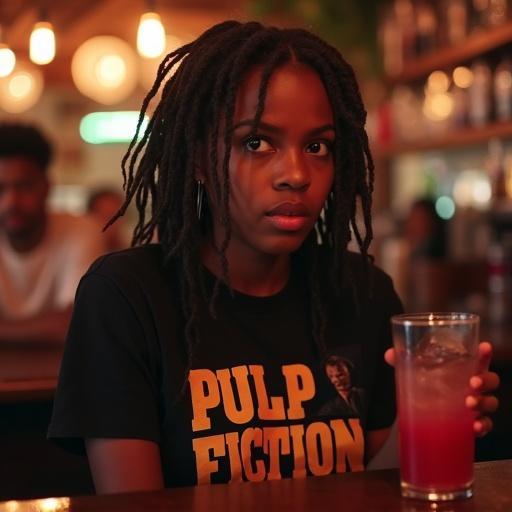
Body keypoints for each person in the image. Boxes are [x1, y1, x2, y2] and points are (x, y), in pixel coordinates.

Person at [48, 21, 499, 494]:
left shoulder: (362, 291)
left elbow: (378, 490)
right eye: (257, 142)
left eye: (317, 146)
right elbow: (134, 507)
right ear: (200, 158)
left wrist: (433, 413)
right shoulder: (128, 296)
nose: (297, 174)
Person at [0, 123, 106, 344]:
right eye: (1, 189)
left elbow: (77, 321)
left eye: (24, 186)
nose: (11, 202)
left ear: (47, 187)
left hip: (63, 373)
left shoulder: (81, 230)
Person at [87, 187, 129, 251]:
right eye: (106, 216)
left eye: (117, 217)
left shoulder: (132, 250)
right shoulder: (84, 253)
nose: (112, 223)